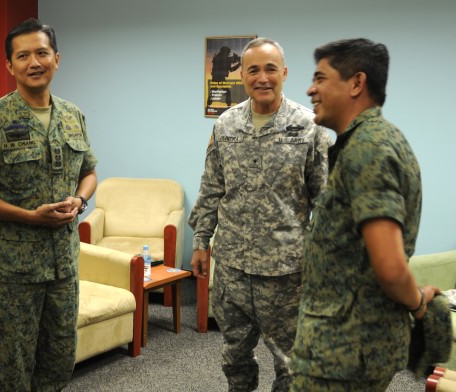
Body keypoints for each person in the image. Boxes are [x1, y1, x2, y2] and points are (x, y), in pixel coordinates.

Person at [289, 38, 441, 391]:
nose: (311, 89)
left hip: (343, 353)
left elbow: (388, 265)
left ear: (357, 83)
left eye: (321, 78)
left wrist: (418, 305)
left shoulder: (369, 149)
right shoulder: (369, 141)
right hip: (347, 344)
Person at [0, 18, 98, 391]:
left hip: (63, 265)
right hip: (15, 271)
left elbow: (90, 172)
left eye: (41, 53)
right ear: (10, 65)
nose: (34, 62)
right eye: (23, 56)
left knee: (60, 358)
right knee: (16, 366)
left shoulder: (73, 115)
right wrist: (28, 217)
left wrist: (79, 200)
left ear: (57, 59)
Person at [188, 37, 331, 391]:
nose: (262, 77)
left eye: (270, 69)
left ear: (283, 73)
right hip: (233, 265)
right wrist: (201, 242)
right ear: (242, 76)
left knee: (290, 362)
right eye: (253, 70)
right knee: (234, 354)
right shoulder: (225, 125)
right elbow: (212, 188)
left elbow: (328, 202)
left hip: (286, 272)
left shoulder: (310, 127)